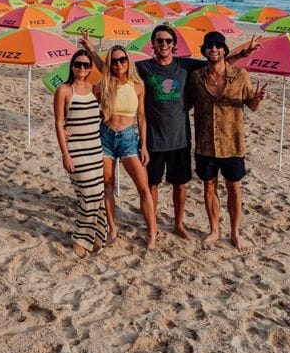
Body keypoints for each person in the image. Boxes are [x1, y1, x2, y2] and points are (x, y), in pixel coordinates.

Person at [82, 26, 255, 240]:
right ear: (153, 44)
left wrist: (242, 54)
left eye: (167, 41)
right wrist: (90, 49)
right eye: (159, 40)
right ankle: (152, 225)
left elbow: (217, 62)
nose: (164, 44)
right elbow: (113, 70)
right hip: (154, 139)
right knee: (151, 185)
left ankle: (179, 224)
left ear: (174, 45)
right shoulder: (143, 68)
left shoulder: (185, 65)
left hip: (180, 137)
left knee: (180, 185)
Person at [188, 32, 266, 250]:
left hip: (232, 142)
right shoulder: (196, 77)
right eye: (210, 46)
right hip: (205, 143)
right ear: (204, 50)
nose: (214, 49)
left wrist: (257, 99)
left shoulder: (240, 75)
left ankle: (234, 232)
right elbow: (186, 104)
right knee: (209, 185)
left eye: (218, 46)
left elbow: (251, 104)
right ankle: (214, 230)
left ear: (224, 49)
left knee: (234, 187)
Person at [93, 45, 157, 249]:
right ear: (109, 64)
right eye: (114, 61)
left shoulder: (137, 85)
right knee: (108, 186)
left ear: (128, 62)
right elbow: (91, 106)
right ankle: (113, 228)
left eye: (122, 60)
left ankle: (152, 232)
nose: (119, 64)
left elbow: (142, 117)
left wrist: (144, 146)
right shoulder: (103, 85)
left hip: (129, 139)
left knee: (144, 188)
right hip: (106, 138)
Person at [53, 50, 108, 257]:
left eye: (86, 65)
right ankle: (80, 237)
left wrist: (91, 48)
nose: (82, 68)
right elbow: (59, 122)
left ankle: (96, 235)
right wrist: (64, 153)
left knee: (98, 195)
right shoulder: (64, 90)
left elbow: (111, 76)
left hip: (95, 148)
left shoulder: (95, 89)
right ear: (72, 65)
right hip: (76, 149)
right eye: (78, 64)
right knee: (89, 194)